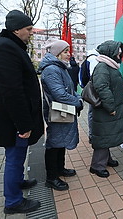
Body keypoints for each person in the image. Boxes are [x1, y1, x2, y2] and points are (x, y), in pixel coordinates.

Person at [0, 10, 44, 214]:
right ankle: (13, 202)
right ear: (16, 29)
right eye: (28, 29)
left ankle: (18, 182)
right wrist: (23, 124)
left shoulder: (10, 46)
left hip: (14, 117)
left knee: (18, 156)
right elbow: (12, 91)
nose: (31, 33)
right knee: (14, 157)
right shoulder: (6, 49)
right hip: (13, 120)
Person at [39, 38, 83, 191]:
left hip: (63, 110)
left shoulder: (59, 67)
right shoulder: (52, 69)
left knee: (61, 140)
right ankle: (51, 177)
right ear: (57, 53)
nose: (68, 54)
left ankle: (60, 169)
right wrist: (78, 102)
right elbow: (60, 95)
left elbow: (69, 89)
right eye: (65, 51)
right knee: (55, 143)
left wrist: (78, 98)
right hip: (57, 111)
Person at [89, 40, 123, 178]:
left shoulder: (110, 66)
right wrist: (110, 107)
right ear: (110, 52)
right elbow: (102, 88)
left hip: (109, 108)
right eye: (118, 51)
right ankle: (96, 166)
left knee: (107, 134)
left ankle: (106, 159)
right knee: (103, 136)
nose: (120, 53)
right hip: (106, 109)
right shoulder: (103, 67)